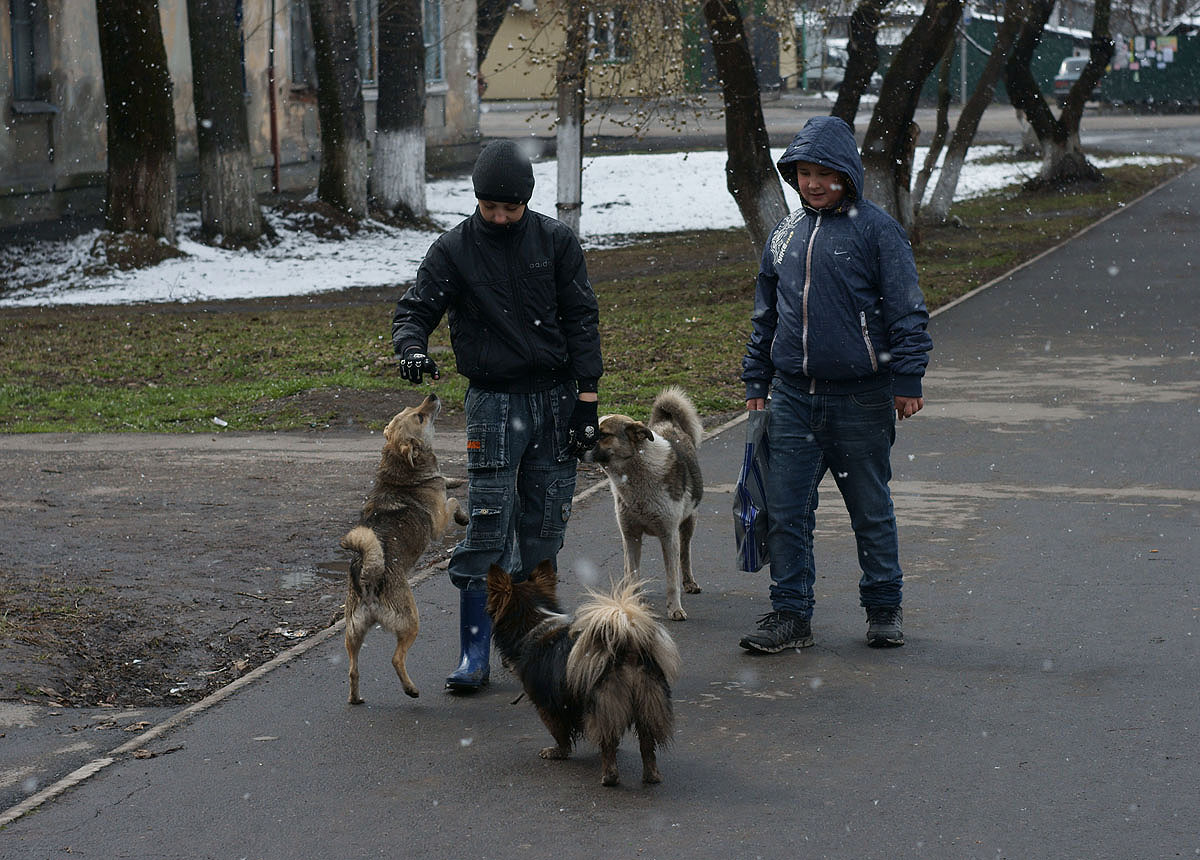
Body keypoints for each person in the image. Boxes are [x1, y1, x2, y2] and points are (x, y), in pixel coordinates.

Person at [392, 139, 603, 691]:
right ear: (477, 201)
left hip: (555, 399)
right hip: (492, 401)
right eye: (491, 208)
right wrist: (412, 346)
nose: (501, 217)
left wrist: (588, 398)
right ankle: (474, 652)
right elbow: (416, 308)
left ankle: (541, 648)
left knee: (545, 522)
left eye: (511, 208)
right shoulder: (455, 250)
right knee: (488, 522)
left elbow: (582, 318)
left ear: (527, 203)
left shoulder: (555, 243)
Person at [738, 115, 932, 654]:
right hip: (794, 398)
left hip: (862, 399)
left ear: (847, 173)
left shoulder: (876, 231)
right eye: (804, 173)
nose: (814, 183)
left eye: (826, 173)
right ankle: (790, 614)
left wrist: (907, 375)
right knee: (786, 509)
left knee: (869, 510)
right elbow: (766, 318)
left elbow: (906, 309)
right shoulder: (783, 234)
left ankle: (884, 608)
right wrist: (757, 377)